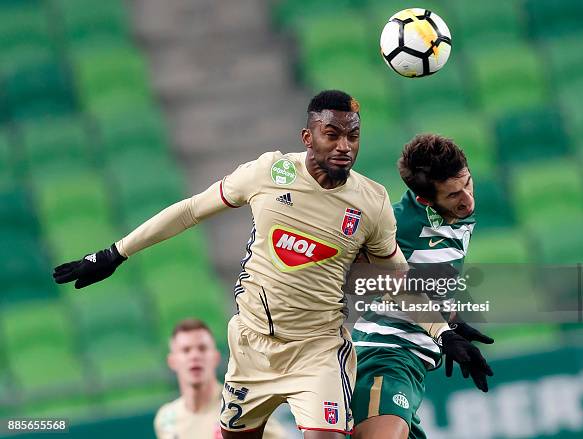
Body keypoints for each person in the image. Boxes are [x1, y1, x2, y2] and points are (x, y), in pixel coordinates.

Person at [52, 91, 485, 439]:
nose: (344, 146)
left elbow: (396, 279)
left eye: (352, 136)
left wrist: (441, 331)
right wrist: (114, 252)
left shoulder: (370, 203)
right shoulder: (267, 173)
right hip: (252, 345)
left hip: (318, 350)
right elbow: (190, 210)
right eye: (331, 134)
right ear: (307, 136)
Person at [350, 134, 494, 439]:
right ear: (426, 199)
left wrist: (452, 321)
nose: (467, 198)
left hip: (413, 363)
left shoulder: (457, 216)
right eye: (454, 194)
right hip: (385, 354)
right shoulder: (395, 224)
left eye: (468, 183)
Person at [154, 318, 286, 439]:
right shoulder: (166, 418)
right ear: (172, 361)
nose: (194, 356)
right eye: (186, 350)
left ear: (215, 357)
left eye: (202, 348)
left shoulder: (242, 408)